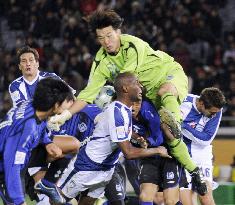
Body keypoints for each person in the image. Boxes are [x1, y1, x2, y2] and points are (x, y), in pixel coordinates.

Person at [49, 10, 206, 191]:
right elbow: (88, 93)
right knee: (166, 137)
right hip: (144, 94)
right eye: (101, 38)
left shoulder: (132, 45)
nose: (106, 42)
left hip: (168, 75)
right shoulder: (101, 60)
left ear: (119, 32)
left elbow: (126, 79)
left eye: (109, 35)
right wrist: (65, 115)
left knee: (167, 102)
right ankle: (194, 171)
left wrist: (109, 103)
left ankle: (175, 123)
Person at [35, 72, 171, 205]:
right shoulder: (117, 112)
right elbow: (128, 153)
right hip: (88, 165)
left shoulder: (124, 109)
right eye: (136, 83)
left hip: (106, 167)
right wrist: (157, 150)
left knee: (88, 202)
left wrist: (135, 137)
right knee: (58, 199)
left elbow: (117, 131)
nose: (140, 87)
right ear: (125, 88)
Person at [0, 77, 76, 205]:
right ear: (56, 105)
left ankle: (44, 185)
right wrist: (19, 201)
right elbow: (12, 166)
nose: (68, 108)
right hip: (5, 169)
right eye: (66, 102)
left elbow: (40, 127)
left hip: (16, 156)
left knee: (68, 149)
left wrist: (47, 142)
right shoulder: (27, 128)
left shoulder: (34, 107)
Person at [130, 99, 187, 205]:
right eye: (131, 103)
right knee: (145, 196)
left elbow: (159, 138)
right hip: (150, 156)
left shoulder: (150, 110)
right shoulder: (123, 118)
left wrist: (147, 141)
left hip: (168, 155)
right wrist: (138, 140)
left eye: (137, 104)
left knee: (170, 201)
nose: (133, 107)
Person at [179, 87, 226, 205]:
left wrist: (182, 126)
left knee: (206, 198)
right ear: (201, 103)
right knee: (187, 201)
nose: (213, 115)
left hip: (201, 156)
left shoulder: (217, 110)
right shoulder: (182, 102)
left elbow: (206, 139)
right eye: (211, 112)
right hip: (182, 156)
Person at [9, 45, 75, 107]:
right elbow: (22, 109)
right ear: (19, 66)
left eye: (31, 60)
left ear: (37, 64)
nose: (28, 64)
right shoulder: (15, 85)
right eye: (24, 61)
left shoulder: (51, 78)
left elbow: (71, 95)